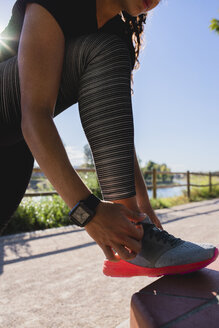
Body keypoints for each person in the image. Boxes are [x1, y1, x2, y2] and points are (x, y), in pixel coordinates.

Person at [0, 0, 218, 277]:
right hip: (20, 123)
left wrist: (144, 215)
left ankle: (137, 236)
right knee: (103, 48)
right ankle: (136, 241)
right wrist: (88, 211)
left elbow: (116, 136)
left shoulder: (118, 35)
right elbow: (35, 115)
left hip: (12, 149)